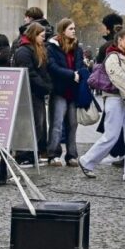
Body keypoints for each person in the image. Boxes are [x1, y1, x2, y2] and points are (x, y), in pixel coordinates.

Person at [80, 23, 125, 182]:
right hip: (115, 99)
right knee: (111, 136)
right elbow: (119, 80)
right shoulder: (112, 58)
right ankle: (87, 160)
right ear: (120, 40)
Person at [46, 18, 90, 165]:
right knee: (57, 124)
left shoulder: (76, 47)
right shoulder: (52, 47)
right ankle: (53, 154)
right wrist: (72, 75)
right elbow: (53, 67)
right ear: (63, 30)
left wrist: (78, 73)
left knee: (72, 124)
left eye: (74, 28)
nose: (74, 31)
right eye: (71, 28)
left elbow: (78, 64)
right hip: (59, 90)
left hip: (73, 90)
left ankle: (72, 155)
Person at [12, 22, 53, 167]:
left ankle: (31, 153)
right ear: (34, 35)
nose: (44, 39)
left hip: (36, 92)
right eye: (42, 36)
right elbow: (29, 73)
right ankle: (24, 155)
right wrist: (45, 86)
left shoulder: (35, 49)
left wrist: (46, 85)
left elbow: (41, 71)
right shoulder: (24, 51)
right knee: (29, 124)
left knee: (38, 124)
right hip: (28, 93)